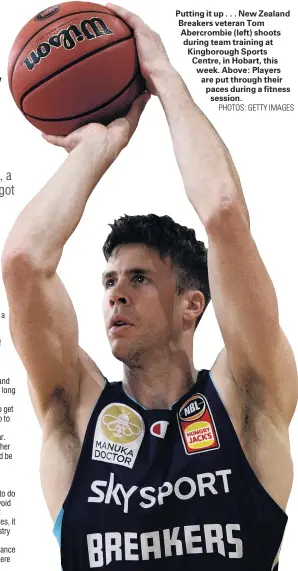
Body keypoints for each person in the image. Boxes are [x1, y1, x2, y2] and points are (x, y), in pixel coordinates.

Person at [2, 4, 297, 570]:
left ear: (193, 305)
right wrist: (93, 149)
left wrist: (162, 76)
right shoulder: (77, 414)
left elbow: (224, 210)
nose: (116, 294)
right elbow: (21, 261)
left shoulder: (247, 399)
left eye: (138, 279)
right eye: (110, 280)